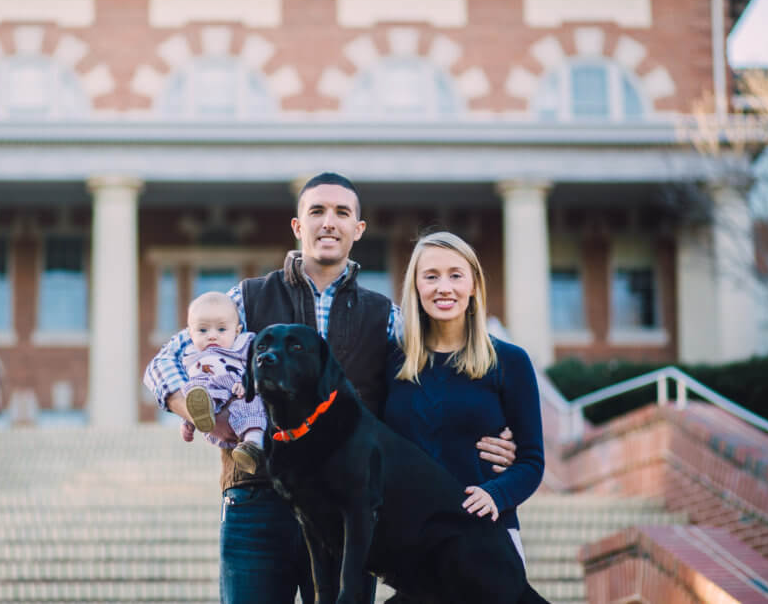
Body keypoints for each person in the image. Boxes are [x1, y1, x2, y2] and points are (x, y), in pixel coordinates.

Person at [144, 173, 519, 604]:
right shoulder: (247, 299)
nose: (329, 222)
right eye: (316, 211)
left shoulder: (385, 316)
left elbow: (441, 387)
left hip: (344, 516)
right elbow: (165, 362)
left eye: (342, 213)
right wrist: (202, 412)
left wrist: (496, 437)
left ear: (358, 229)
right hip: (256, 503)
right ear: (297, 226)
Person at [383, 231, 545, 567]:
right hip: (415, 542)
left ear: (473, 285)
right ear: (415, 286)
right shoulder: (391, 363)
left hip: (487, 537)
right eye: (431, 276)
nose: (444, 287)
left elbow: (531, 461)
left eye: (456, 275)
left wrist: (495, 494)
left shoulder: (510, 362)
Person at [178, 291, 266, 474]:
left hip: (238, 392)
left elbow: (256, 368)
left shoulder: (243, 345)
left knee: (252, 403)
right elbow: (191, 397)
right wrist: (187, 421)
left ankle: (252, 445)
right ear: (190, 333)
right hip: (213, 407)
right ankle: (202, 414)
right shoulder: (191, 357)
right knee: (196, 391)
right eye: (202, 330)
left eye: (221, 330)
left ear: (237, 331)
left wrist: (248, 382)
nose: (212, 336)